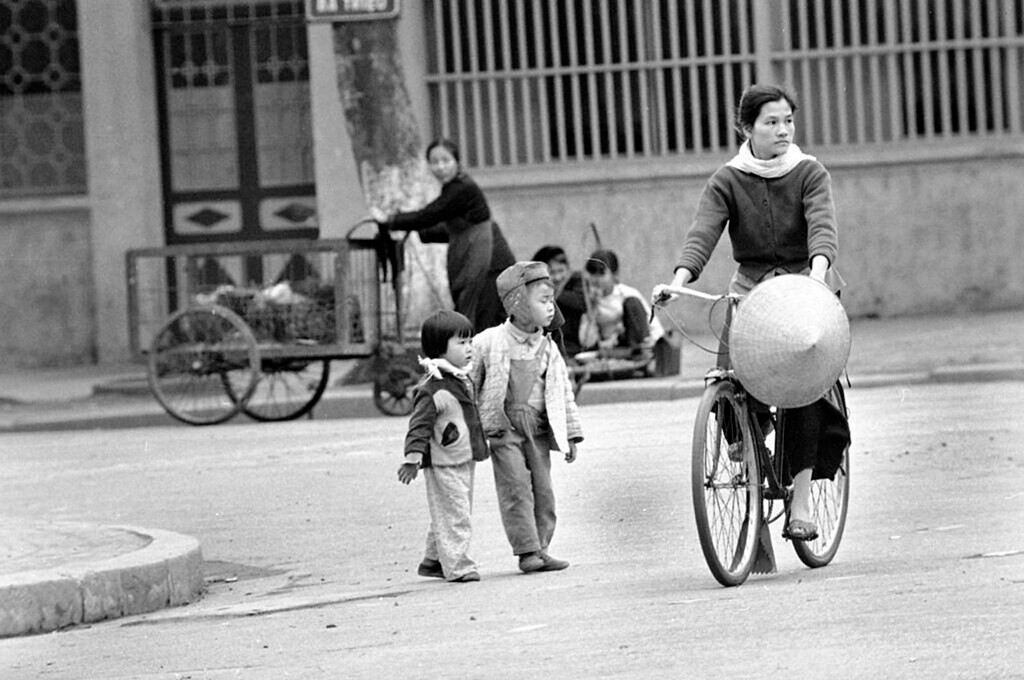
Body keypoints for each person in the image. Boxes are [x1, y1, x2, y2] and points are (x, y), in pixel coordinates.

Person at [658, 83, 850, 542]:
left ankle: (801, 501)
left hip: (805, 285)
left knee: (805, 390)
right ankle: (749, 452)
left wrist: (817, 276)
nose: (783, 130)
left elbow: (822, 226)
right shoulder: (727, 179)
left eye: (788, 120)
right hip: (751, 291)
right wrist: (678, 282)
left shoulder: (809, 172)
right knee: (726, 380)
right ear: (745, 128)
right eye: (771, 122)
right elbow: (702, 233)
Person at [468, 261, 583, 573]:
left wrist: (571, 434)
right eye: (543, 301)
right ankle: (527, 550)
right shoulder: (488, 342)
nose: (550, 308)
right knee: (516, 489)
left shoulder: (548, 347)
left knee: (543, 491)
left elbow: (564, 393)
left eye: (551, 301)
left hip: (538, 431)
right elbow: (468, 384)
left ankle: (542, 547)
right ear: (517, 303)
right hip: (504, 431)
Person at [383, 139, 516, 332]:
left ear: (457, 161)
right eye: (434, 162)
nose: (440, 167)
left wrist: (393, 220)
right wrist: (422, 231)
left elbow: (429, 215)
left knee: (479, 325)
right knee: (482, 324)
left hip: (489, 265)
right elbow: (451, 227)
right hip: (481, 263)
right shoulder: (456, 188)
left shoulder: (461, 188)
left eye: (445, 161)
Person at [397, 310, 490, 583]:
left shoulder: (460, 378)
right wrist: (412, 458)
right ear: (440, 348)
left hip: (464, 458)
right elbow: (419, 426)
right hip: (443, 462)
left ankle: (433, 560)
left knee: (451, 511)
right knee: (456, 514)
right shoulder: (433, 387)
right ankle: (458, 566)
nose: (469, 348)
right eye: (461, 343)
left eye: (470, 341)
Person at [578, 249, 663, 358]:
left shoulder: (627, 293)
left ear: (614, 274)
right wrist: (592, 308)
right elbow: (586, 343)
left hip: (632, 346)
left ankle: (641, 356)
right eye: (593, 274)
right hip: (607, 350)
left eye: (602, 274)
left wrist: (651, 340)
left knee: (632, 303)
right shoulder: (588, 299)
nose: (596, 279)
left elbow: (656, 328)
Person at [531, 245, 586, 357]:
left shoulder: (576, 281)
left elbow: (581, 303)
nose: (557, 277)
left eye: (561, 270)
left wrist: (554, 294)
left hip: (573, 349)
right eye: (552, 272)